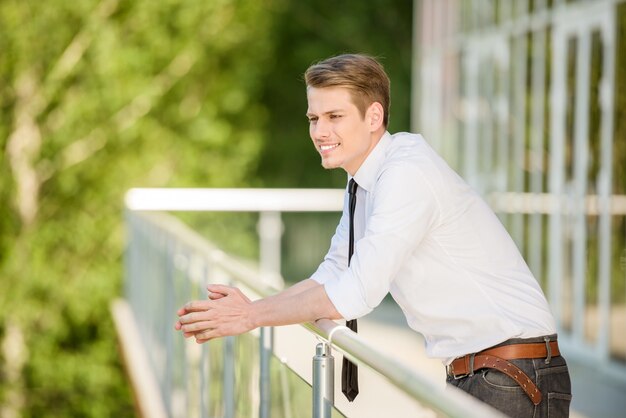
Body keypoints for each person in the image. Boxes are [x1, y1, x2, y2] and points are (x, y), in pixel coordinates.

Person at [175, 53, 572, 417]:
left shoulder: (404, 174)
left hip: (514, 374)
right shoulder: (364, 182)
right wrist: (253, 308)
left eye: (334, 116)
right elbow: (332, 274)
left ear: (373, 116)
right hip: (484, 372)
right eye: (314, 118)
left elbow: (355, 294)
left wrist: (250, 316)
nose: (320, 131)